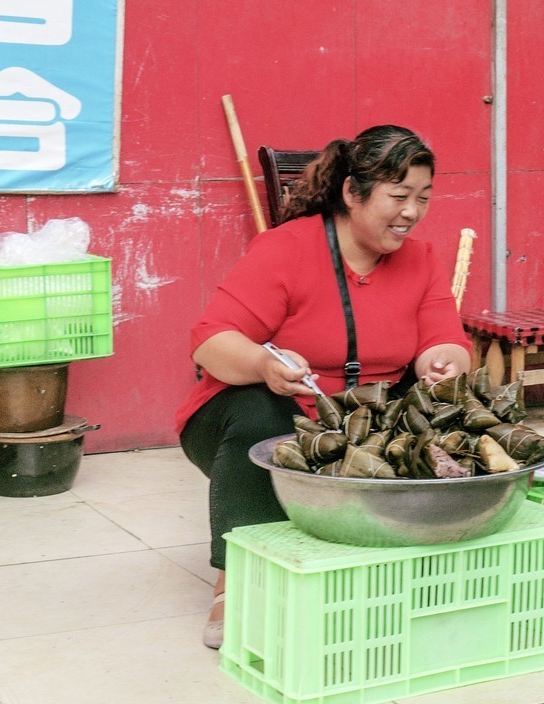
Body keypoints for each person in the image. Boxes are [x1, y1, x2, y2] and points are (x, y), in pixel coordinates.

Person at [174, 125, 472, 649]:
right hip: (261, 418)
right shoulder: (285, 249)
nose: (412, 212)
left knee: (454, 421)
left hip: (360, 428)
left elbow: (442, 338)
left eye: (423, 198)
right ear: (352, 193)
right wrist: (264, 365)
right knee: (262, 414)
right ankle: (233, 577)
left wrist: (444, 361)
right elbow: (209, 341)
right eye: (399, 196)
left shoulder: (420, 259)